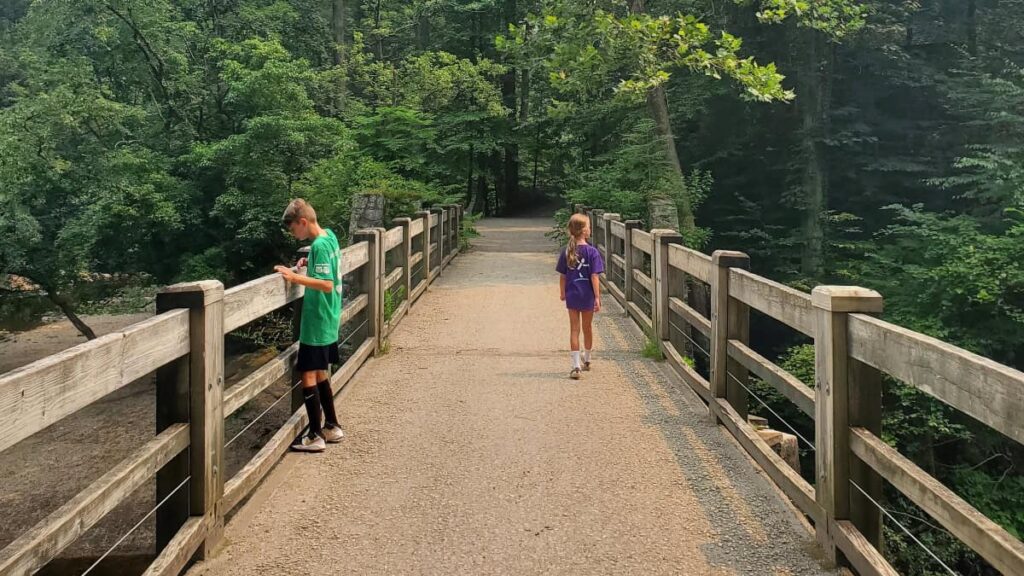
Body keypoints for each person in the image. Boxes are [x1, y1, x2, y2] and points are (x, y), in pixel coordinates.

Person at [275, 199, 345, 452]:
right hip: (329, 316)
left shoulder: (318, 246)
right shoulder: (330, 236)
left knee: (307, 373)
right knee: (321, 371)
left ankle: (315, 435)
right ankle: (332, 426)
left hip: (317, 319)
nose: (295, 235)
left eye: (294, 230)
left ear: (303, 222)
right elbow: (327, 270)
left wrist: (294, 276)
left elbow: (325, 284)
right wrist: (309, 265)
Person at [556, 213, 604, 380]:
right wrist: (597, 297)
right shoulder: (592, 252)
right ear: (584, 231)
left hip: (573, 294)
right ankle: (588, 359)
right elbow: (594, 276)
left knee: (574, 329)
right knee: (587, 327)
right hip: (588, 294)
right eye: (589, 226)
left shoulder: (567, 251)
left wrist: (562, 292)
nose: (590, 229)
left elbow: (562, 276)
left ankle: (576, 365)